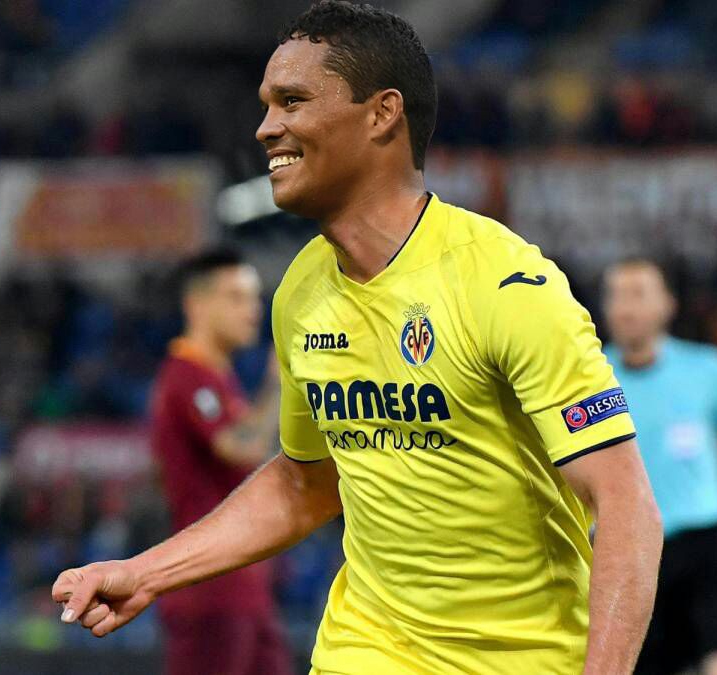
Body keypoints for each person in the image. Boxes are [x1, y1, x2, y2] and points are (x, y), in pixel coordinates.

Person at [52, 2, 663, 673]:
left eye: (292, 101)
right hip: (363, 651)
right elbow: (303, 483)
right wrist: (145, 572)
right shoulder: (301, 292)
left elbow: (626, 503)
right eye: (266, 105)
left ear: (382, 114)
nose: (266, 128)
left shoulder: (504, 284)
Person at [602, 259, 717, 675]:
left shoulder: (710, 370)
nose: (625, 308)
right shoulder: (588, 379)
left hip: (706, 547)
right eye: (616, 296)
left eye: (638, 294)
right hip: (625, 556)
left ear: (666, 304)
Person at [148, 248, 290, 675]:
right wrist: (279, 381)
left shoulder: (219, 380)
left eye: (254, 297)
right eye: (236, 297)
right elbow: (242, 448)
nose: (253, 310)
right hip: (210, 591)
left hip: (243, 589)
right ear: (197, 304)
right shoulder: (187, 375)